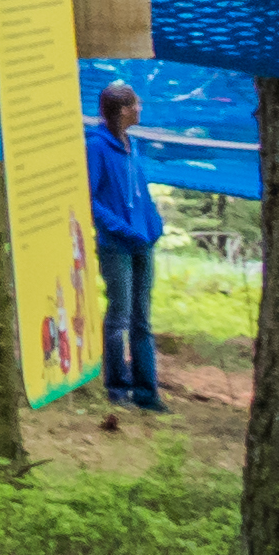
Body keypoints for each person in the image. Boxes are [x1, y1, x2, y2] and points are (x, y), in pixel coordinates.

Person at [89, 82, 168, 410]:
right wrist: (121, 229)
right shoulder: (96, 146)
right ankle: (117, 387)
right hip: (115, 245)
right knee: (119, 314)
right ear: (122, 110)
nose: (139, 109)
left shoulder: (131, 145)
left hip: (142, 244)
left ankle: (147, 392)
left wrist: (153, 225)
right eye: (135, 104)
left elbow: (141, 193)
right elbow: (89, 198)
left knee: (142, 319)